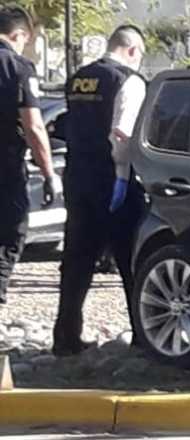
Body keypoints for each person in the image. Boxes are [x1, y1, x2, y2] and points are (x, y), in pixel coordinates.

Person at [54, 25, 147, 356]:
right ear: (133, 50)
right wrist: (123, 175)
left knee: (76, 259)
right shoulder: (128, 80)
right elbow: (122, 135)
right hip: (112, 179)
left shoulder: (79, 77)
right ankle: (143, 335)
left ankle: (65, 337)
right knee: (131, 260)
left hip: (78, 176)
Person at [0, 6, 59, 305]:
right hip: (5, 168)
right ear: (19, 35)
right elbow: (34, 126)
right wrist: (49, 174)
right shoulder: (18, 67)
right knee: (12, 231)